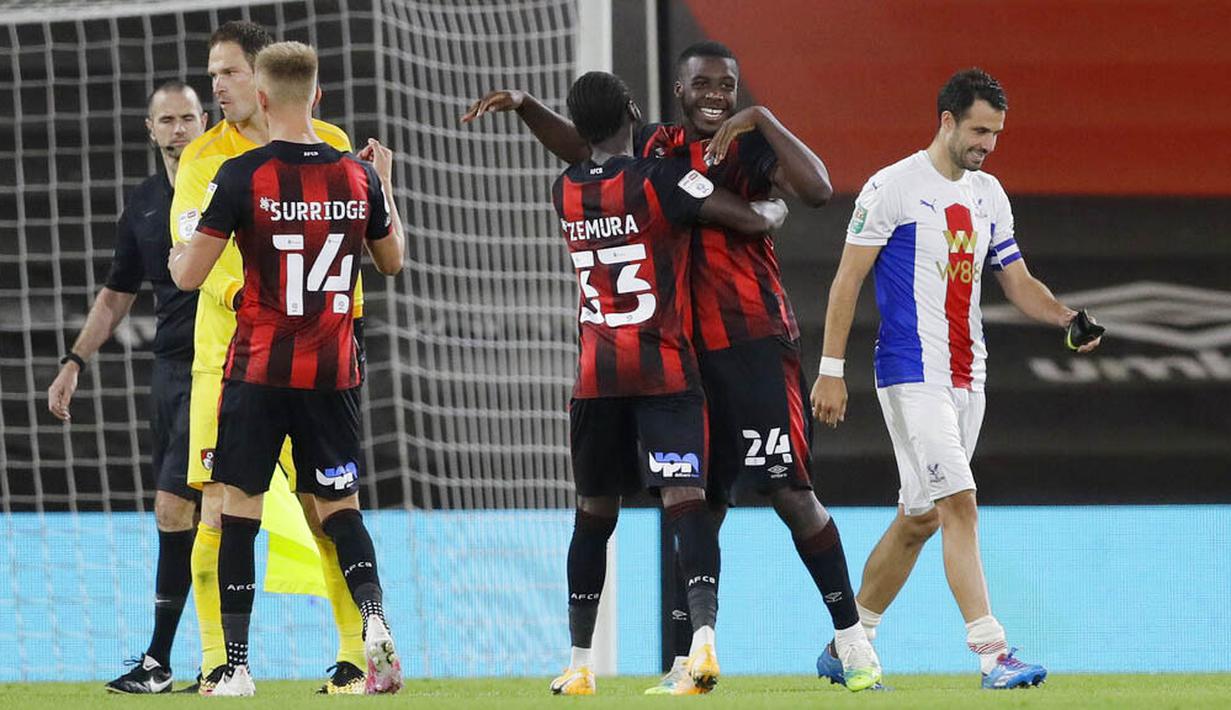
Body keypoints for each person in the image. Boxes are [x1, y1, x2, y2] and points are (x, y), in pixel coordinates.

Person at [463, 40, 881, 694]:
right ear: (679, 92)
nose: (717, 95)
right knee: (698, 504)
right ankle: (690, 662)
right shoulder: (655, 150)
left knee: (788, 491)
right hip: (683, 358)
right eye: (703, 85)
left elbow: (820, 191)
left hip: (752, 344)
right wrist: (524, 105)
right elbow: (584, 149)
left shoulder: (747, 147)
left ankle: (854, 644)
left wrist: (762, 117)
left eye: (728, 86)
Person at [811, 68, 1102, 690]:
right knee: (960, 506)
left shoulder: (989, 195)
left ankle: (848, 642)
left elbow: (1016, 280)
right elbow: (846, 282)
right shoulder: (891, 187)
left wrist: (1066, 317)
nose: (987, 144)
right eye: (978, 130)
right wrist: (831, 372)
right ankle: (993, 653)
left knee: (920, 518)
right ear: (945, 121)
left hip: (970, 375)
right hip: (911, 374)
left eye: (995, 132)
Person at [169, 40, 406, 697]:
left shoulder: (241, 177)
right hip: (334, 371)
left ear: (264, 97)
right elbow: (392, 262)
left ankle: (235, 666)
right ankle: (375, 623)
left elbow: (189, 275)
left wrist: (175, 258)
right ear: (318, 95)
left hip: (257, 369)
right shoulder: (358, 175)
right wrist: (385, 185)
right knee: (340, 507)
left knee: (234, 509)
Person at [545, 70, 789, 697]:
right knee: (687, 503)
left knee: (594, 515)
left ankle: (578, 663)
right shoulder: (659, 179)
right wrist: (771, 209)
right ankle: (702, 644)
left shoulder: (563, 190)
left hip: (596, 376)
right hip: (664, 371)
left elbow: (586, 161)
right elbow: (748, 220)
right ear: (631, 108)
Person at [46, 81, 206, 694]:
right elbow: (117, 294)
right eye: (166, 120)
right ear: (150, 128)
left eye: (187, 117)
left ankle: (169, 662)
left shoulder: (225, 185)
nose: (177, 129)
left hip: (220, 366)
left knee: (186, 507)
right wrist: (74, 361)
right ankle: (196, 663)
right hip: (167, 371)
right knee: (181, 513)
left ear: (204, 119)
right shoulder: (143, 203)